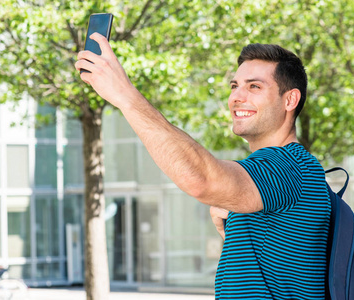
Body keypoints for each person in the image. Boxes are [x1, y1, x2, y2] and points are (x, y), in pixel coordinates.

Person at [75, 34, 331, 299]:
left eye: (254, 87)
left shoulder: (286, 167)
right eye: (234, 86)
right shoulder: (281, 173)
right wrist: (232, 212)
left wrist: (124, 94)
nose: (237, 97)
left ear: (290, 100)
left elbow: (201, 179)